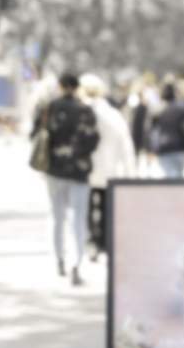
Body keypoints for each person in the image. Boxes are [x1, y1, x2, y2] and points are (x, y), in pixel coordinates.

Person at [31, 72, 100, 285]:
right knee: (78, 218)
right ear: (77, 87)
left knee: (57, 216)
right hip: (79, 171)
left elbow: (35, 134)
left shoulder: (49, 108)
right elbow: (94, 140)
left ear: (60, 86)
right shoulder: (85, 110)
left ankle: (59, 258)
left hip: (54, 169)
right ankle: (76, 263)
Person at [80, 73, 135, 261]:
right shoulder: (112, 114)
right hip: (109, 170)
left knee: (86, 208)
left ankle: (91, 242)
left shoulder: (82, 111)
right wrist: (129, 172)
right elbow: (125, 144)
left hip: (85, 170)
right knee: (105, 207)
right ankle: (103, 242)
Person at [150, 83, 184, 178]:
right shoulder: (180, 109)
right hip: (179, 148)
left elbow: (154, 131)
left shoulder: (158, 111)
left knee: (172, 178)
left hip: (165, 148)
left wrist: (152, 149)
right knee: (177, 178)